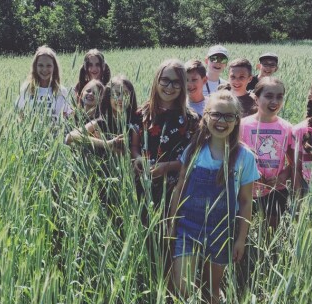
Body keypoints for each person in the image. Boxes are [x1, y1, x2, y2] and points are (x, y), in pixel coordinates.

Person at [169, 90, 259, 304]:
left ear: (237, 120)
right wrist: (172, 223)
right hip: (188, 228)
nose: (222, 121)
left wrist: (241, 239)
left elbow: (246, 201)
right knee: (181, 287)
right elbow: (179, 187)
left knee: (211, 290)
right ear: (206, 116)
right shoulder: (194, 151)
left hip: (222, 232)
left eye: (229, 116)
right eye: (216, 114)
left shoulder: (244, 157)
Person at [131, 59, 199, 294]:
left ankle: (169, 288)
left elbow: (190, 160)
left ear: (182, 87)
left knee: (168, 237)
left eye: (176, 83)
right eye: (165, 80)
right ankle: (148, 283)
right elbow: (134, 145)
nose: (169, 87)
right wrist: (138, 157)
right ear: (157, 80)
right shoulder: (142, 112)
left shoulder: (189, 118)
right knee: (145, 236)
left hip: (174, 189)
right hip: (142, 185)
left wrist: (165, 167)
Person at [240, 77, 293, 229]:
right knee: (245, 230)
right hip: (246, 189)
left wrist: (283, 176)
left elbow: (293, 161)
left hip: (276, 190)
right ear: (256, 99)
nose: (274, 101)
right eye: (269, 96)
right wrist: (250, 173)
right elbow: (234, 155)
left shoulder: (287, 127)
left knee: (270, 232)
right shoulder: (243, 125)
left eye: (279, 96)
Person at [66, 75, 137, 155]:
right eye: (116, 94)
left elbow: (132, 153)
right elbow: (70, 137)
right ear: (108, 97)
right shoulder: (100, 123)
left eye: (125, 94)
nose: (120, 98)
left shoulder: (133, 125)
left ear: (131, 98)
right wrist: (107, 143)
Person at [15, 45, 72, 122]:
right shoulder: (26, 88)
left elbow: (65, 115)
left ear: (54, 67)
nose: (44, 69)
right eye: (40, 65)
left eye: (49, 65)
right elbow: (20, 115)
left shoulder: (61, 91)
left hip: (55, 133)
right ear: (35, 67)